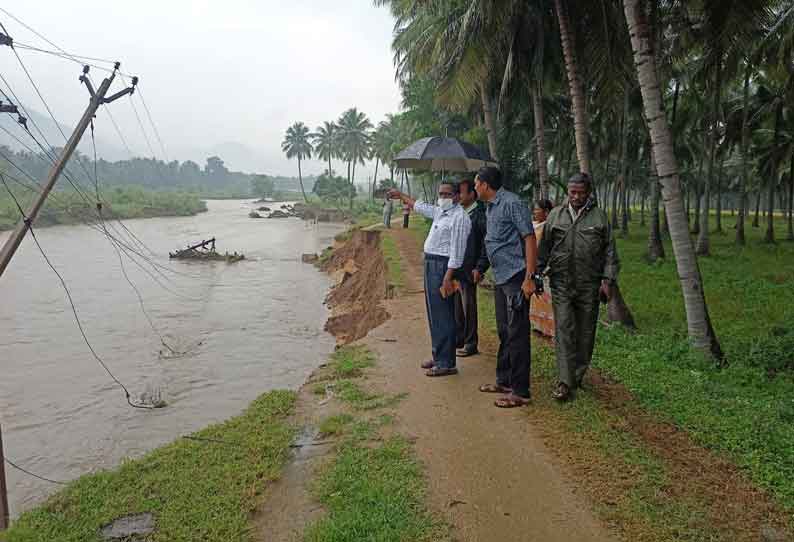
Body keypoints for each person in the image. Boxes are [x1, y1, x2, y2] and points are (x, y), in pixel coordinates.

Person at [537, 172, 619, 402]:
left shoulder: (600, 218)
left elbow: (610, 253)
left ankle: (577, 375)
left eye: (580, 192)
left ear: (588, 193)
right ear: (567, 192)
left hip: (589, 284)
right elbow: (544, 248)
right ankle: (564, 382)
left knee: (585, 332)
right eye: (572, 192)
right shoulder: (555, 215)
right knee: (564, 328)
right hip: (561, 281)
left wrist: (607, 280)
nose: (576, 196)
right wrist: (535, 273)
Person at [388, 183, 471, 377]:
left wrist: (448, 278)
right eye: (441, 193)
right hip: (431, 264)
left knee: (443, 314)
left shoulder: (460, 218)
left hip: (443, 268)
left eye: (448, 194)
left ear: (457, 196)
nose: (443, 197)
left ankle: (447, 363)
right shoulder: (440, 211)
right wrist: (401, 195)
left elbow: (457, 252)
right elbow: (419, 206)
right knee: (435, 313)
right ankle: (439, 354)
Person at [474, 166, 538, 408]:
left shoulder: (512, 203)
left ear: (485, 185)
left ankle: (521, 391)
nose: (474, 187)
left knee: (518, 333)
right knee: (504, 330)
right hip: (501, 277)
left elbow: (529, 238)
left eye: (476, 183)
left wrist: (529, 277)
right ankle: (505, 380)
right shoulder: (490, 207)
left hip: (516, 275)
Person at [454, 177, 489, 357]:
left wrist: (480, 267)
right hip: (457, 268)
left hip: (469, 268)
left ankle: (471, 342)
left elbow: (485, 244)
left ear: (471, 194)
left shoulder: (479, 216)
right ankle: (460, 338)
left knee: (469, 306)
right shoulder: (460, 213)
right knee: (458, 307)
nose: (458, 195)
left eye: (461, 192)